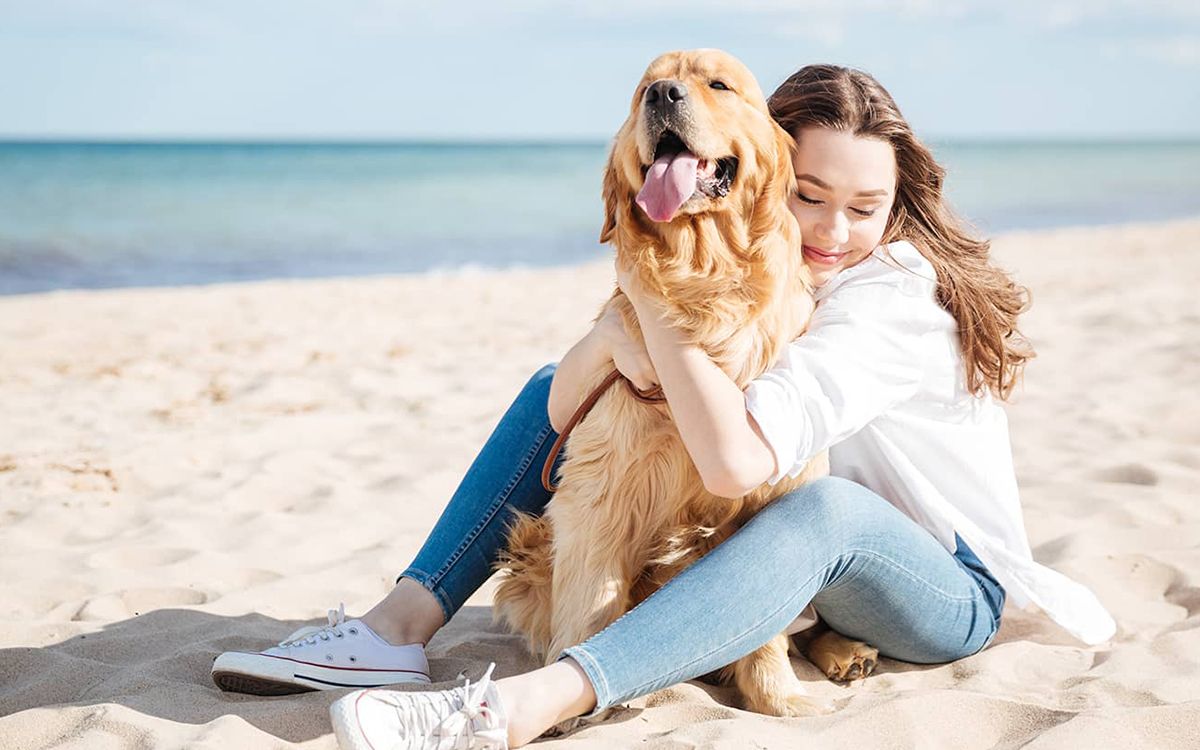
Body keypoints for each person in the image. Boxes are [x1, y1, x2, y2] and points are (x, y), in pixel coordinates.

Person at [212, 65, 1116, 750]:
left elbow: (736, 466)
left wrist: (644, 305)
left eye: (865, 207)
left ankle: (531, 703)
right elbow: (561, 403)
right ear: (762, 176)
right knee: (554, 384)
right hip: (810, 579)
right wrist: (616, 335)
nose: (833, 232)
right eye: (809, 197)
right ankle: (395, 628)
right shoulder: (764, 275)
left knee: (826, 506)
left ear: (896, 208)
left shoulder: (887, 298)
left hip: (940, 592)